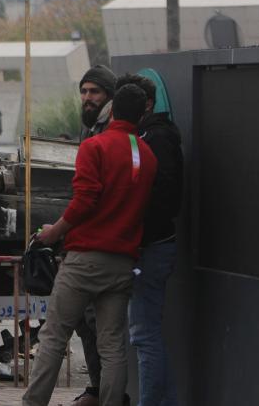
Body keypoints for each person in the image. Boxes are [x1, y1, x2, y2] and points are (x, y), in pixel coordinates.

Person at [22, 85, 158, 406]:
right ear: (143, 114)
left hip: (85, 261)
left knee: (54, 336)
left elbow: (85, 200)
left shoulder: (95, 146)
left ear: (110, 111)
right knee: (112, 346)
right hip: (123, 263)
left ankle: (33, 403)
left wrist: (54, 231)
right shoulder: (148, 156)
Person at [116, 74, 184, 406]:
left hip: (151, 248)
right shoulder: (150, 136)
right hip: (150, 245)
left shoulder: (155, 138)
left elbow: (165, 197)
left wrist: (138, 235)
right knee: (144, 335)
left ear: (147, 104)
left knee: (143, 336)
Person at [68, 63, 118, 405]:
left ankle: (106, 393)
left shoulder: (108, 133)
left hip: (103, 243)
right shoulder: (91, 129)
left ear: (109, 96)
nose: (88, 98)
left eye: (94, 92)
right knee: (86, 322)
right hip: (88, 240)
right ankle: (98, 389)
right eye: (84, 91)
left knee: (99, 326)